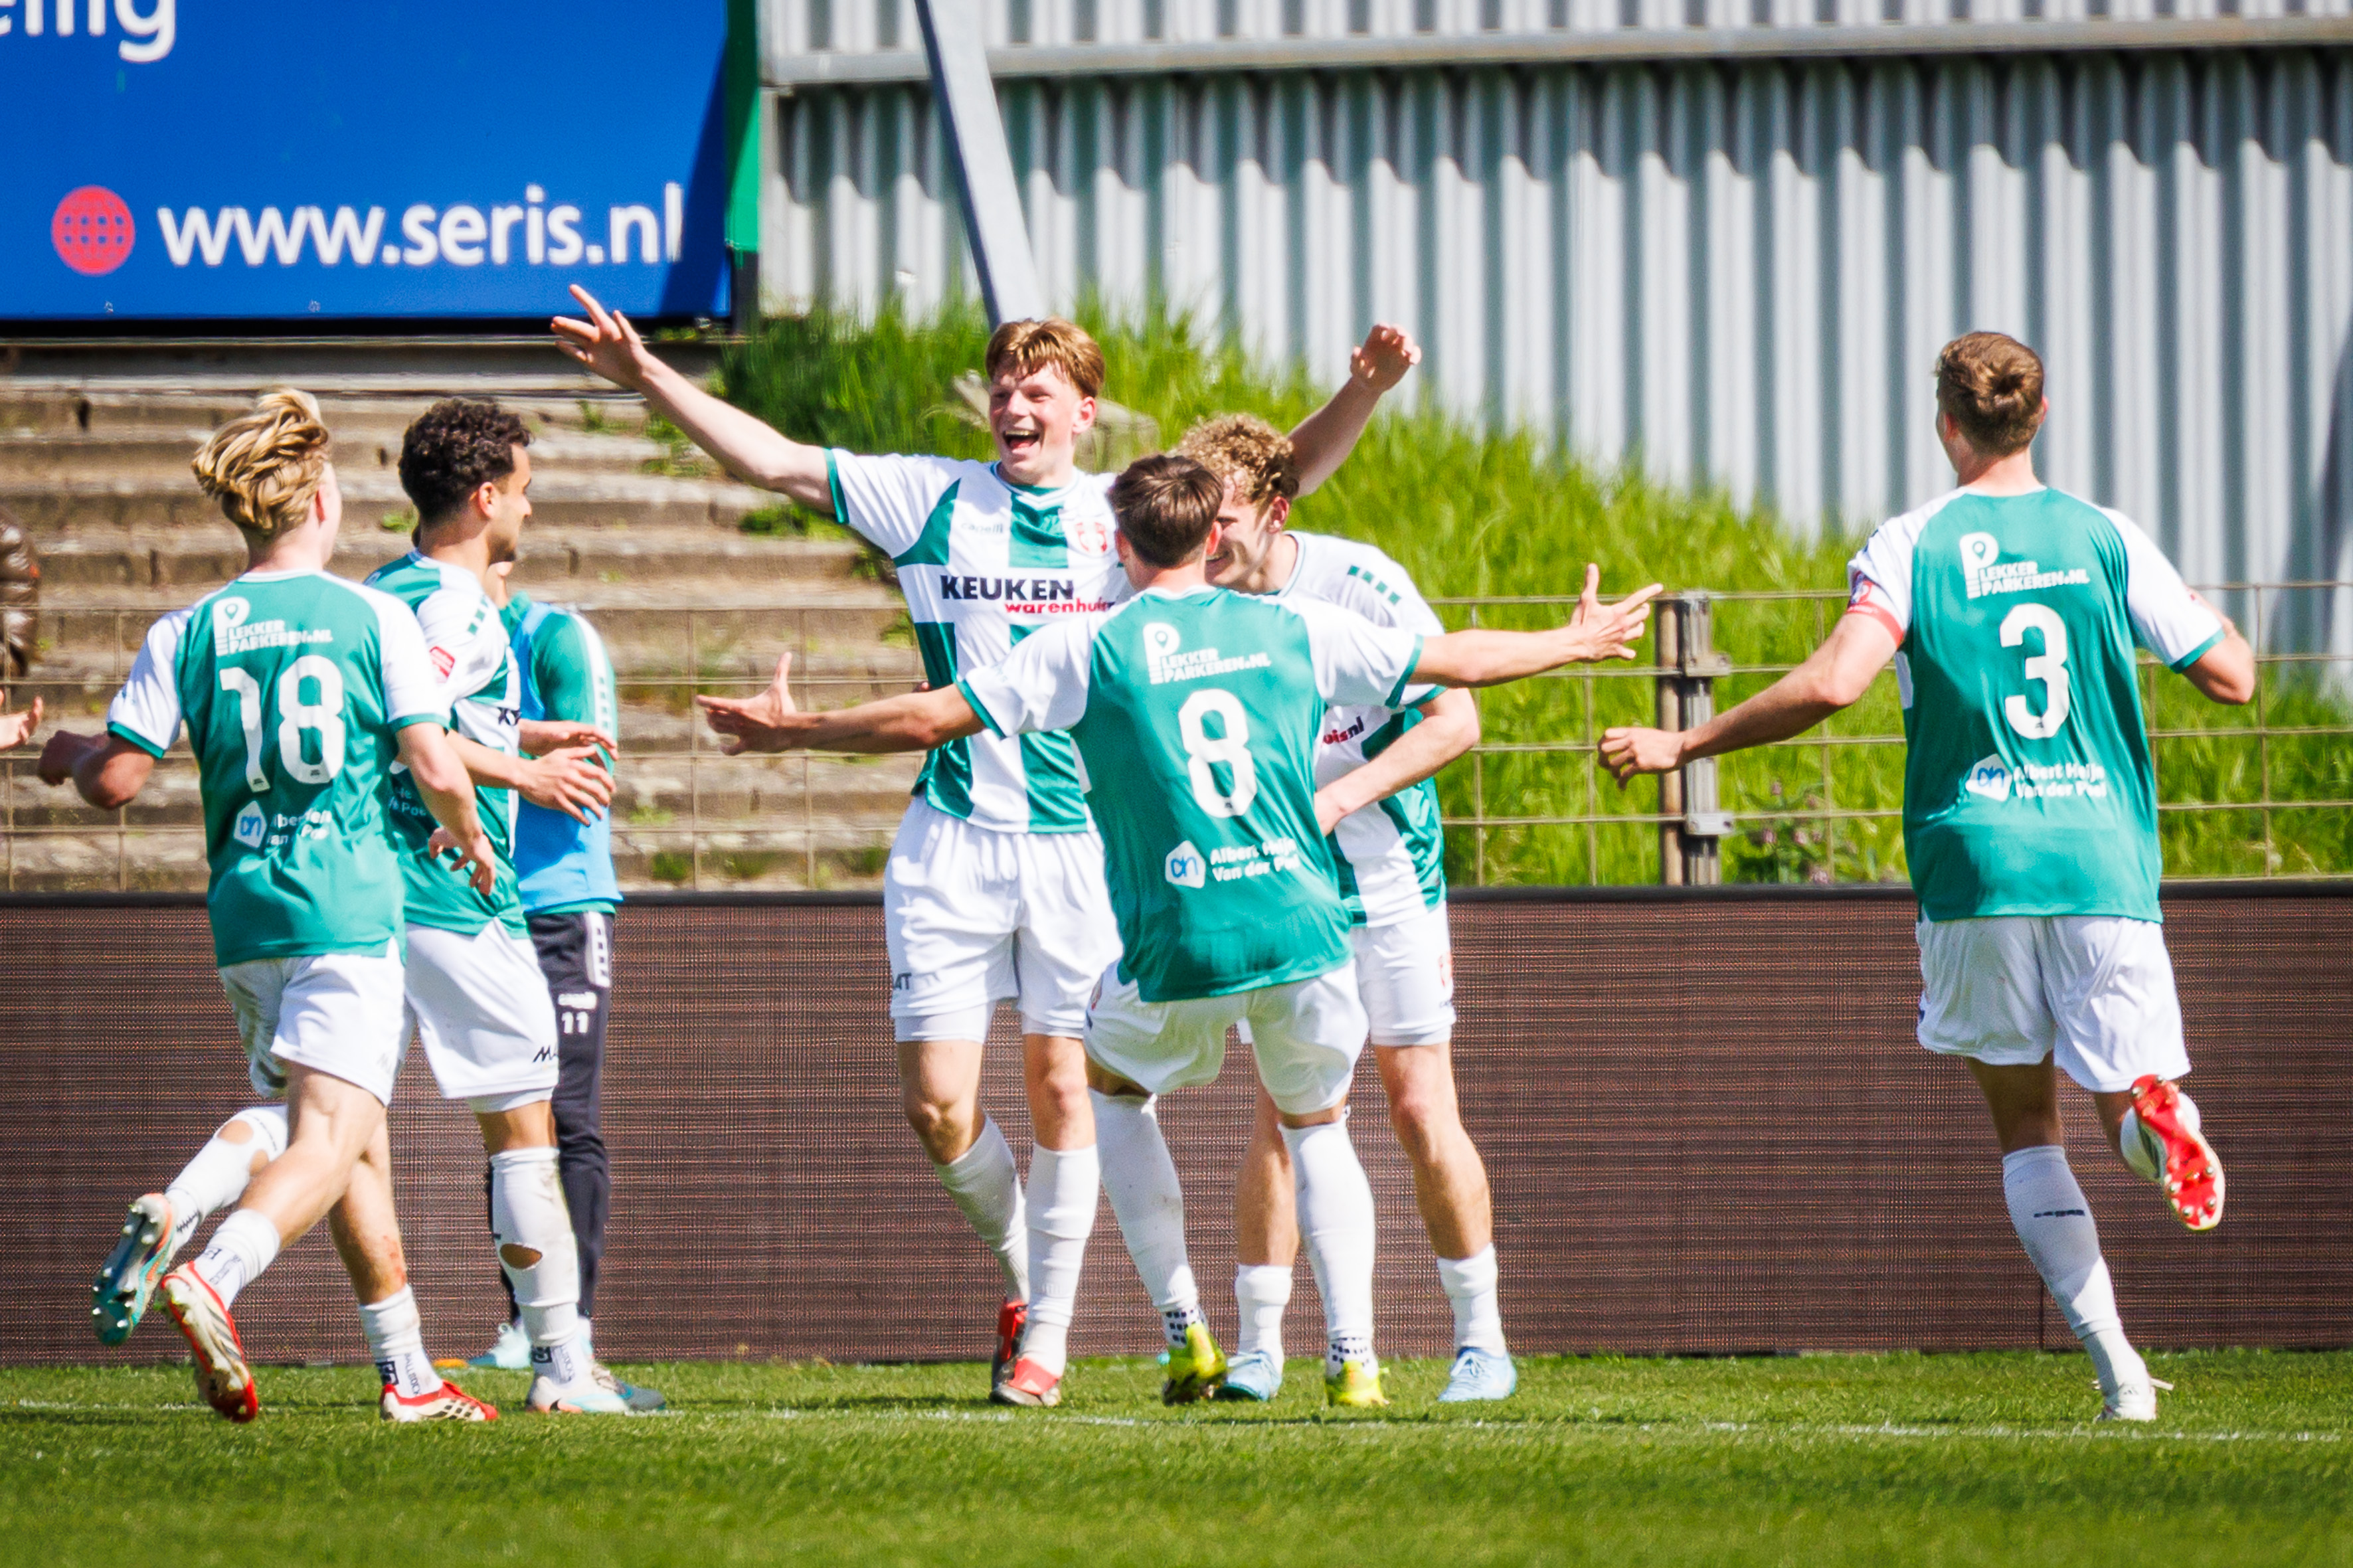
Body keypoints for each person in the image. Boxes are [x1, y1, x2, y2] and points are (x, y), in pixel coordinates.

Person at [554, 282, 1419, 1391]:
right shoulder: (930, 499)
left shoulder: (1124, 515)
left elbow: (1265, 480)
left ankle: (1059, 1340)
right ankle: (1031, 1275)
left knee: (1067, 1086)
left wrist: (1362, 391)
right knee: (937, 1105)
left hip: (1079, 849)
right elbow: (773, 462)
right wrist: (648, 375)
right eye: (1002, 388)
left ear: (1084, 412)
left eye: (1037, 390)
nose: (1013, 405)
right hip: (953, 837)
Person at [699, 454, 1658, 1406]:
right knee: (1317, 1124)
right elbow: (1460, 660)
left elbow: (927, 720)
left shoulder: (1084, 646)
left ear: (1117, 544)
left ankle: (1183, 1324)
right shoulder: (1295, 625)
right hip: (1302, 927)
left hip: (1182, 940)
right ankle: (1354, 1360)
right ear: (1212, 539)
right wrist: (1572, 640)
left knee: (1105, 1090)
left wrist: (798, 731)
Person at [1601, 331, 2245, 1423]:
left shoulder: (1911, 542)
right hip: (2099, 857)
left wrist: (1684, 742)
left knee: (2026, 1128)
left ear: (1946, 423)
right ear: (2036, 417)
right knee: (2116, 1103)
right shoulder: (2104, 536)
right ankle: (2153, 1121)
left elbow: (1834, 681)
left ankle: (2120, 1375)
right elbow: (2228, 674)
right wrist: (2195, 616)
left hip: (1976, 860)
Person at [37, 390, 502, 1423]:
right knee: (330, 1135)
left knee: (334, 1134)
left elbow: (116, 780)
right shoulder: (373, 615)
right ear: (324, 502)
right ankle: (216, 1272)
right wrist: (470, 836)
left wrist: (66, 753)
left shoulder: (188, 628)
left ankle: (407, 1373)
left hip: (245, 919)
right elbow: (434, 761)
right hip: (344, 909)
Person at [1177, 412, 1512, 1404]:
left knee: (1419, 1106)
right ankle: (1258, 1349)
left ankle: (1481, 1342)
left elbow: (1456, 718)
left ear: (1275, 513)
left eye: (1225, 520)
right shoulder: (1190, 601)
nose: (1206, 541)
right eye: (1196, 520)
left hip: (1388, 874)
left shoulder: (1358, 583)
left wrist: (1334, 801)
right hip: (1279, 885)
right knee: (1282, 1112)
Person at [362, 397, 640, 1415]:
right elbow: (422, 732)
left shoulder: (374, 593)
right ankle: (562, 1363)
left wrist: (518, 734)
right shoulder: (460, 603)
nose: (529, 507)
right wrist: (524, 777)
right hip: (454, 885)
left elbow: (410, 713)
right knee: (531, 1128)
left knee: (331, 1125)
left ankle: (204, 1240)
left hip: (360, 891)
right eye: (522, 489)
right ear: (485, 498)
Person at [458, 562, 665, 1411]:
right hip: (476, 899)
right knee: (510, 1117)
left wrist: (477, 751)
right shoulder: (428, 629)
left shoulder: (556, 637)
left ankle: (569, 1334)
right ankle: (526, 1327)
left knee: (567, 1117)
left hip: (559, 903)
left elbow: (589, 770)